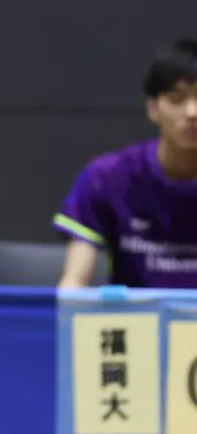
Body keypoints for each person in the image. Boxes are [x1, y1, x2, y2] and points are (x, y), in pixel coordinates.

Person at [56, 39, 197, 289]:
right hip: (135, 315)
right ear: (153, 109)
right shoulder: (108, 177)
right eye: (177, 99)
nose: (192, 112)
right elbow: (74, 283)